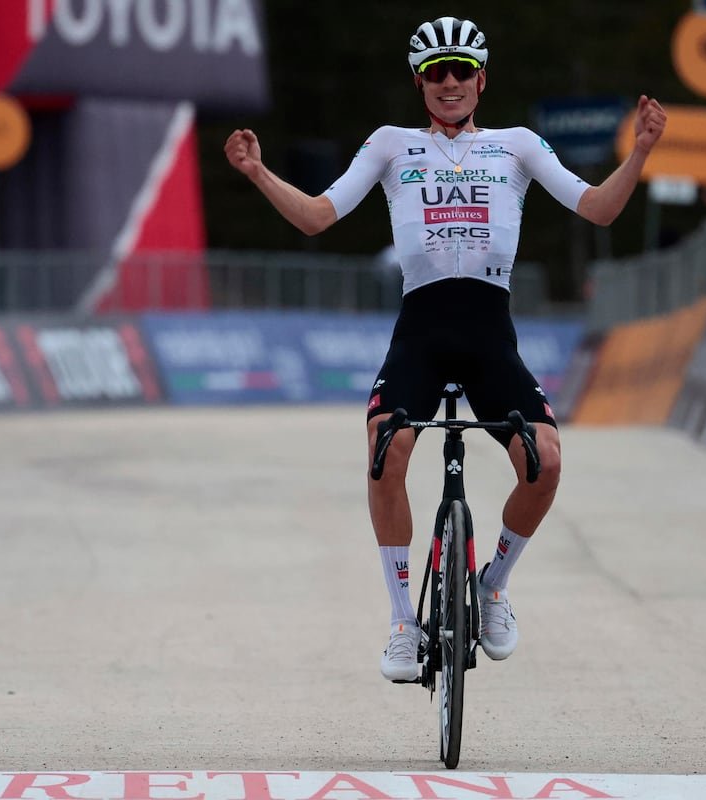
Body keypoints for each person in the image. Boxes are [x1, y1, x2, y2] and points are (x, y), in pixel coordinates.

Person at [224, 16, 667, 681]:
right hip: (423, 333)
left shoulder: (516, 146)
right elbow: (318, 216)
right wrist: (258, 172)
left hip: (490, 334)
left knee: (544, 461)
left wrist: (639, 153)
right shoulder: (390, 144)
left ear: (481, 80)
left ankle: (492, 586)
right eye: (437, 73)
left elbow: (598, 209)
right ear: (420, 83)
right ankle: (403, 620)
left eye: (462, 71)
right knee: (384, 448)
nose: (450, 83)